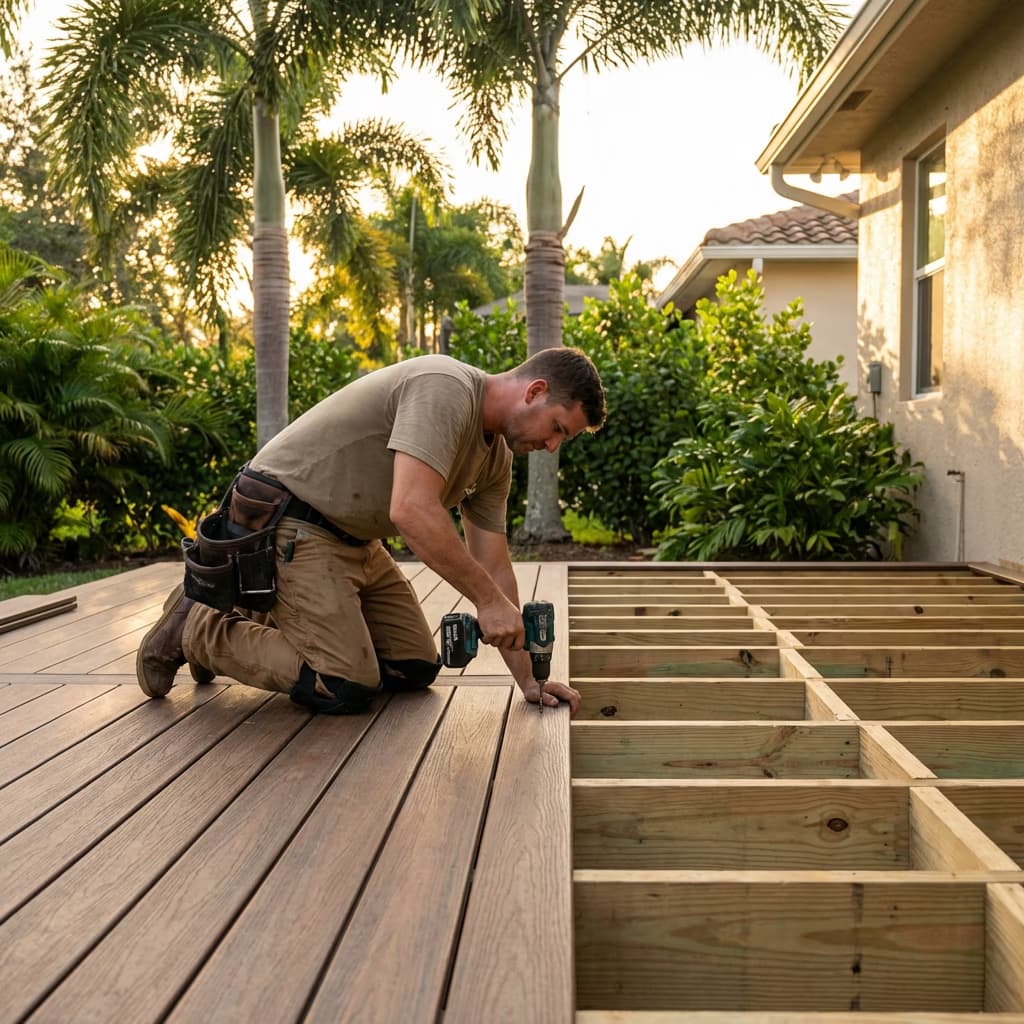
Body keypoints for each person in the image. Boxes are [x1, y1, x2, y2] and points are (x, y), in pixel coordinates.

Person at [136, 347, 606, 716]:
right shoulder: (445, 386)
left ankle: (265, 606)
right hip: (289, 521)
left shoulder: (496, 459)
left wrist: (528, 681)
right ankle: (197, 627)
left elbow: (494, 565)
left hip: (355, 540)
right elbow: (411, 510)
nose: (550, 446)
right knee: (346, 683)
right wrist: (486, 601)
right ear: (535, 391)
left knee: (413, 667)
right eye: (558, 429)